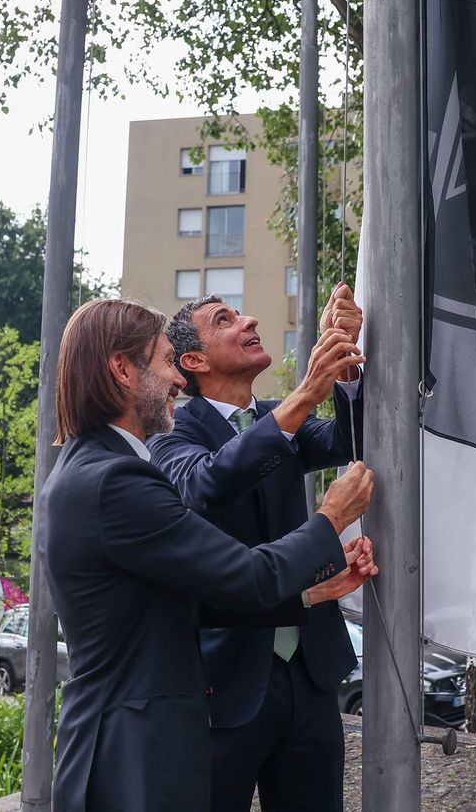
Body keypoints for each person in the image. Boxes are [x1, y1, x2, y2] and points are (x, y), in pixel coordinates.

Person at [40, 298, 376, 812]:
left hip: (266, 686)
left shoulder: (93, 468)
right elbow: (238, 558)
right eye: (165, 362)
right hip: (142, 748)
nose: (176, 380)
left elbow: (174, 601)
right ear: (122, 370)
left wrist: (308, 594)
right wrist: (329, 519)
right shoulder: (119, 478)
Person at [148, 283, 364, 812]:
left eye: (242, 313)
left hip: (310, 671)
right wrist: (304, 394)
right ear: (194, 361)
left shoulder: (278, 417)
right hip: (224, 684)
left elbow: (350, 441)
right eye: (224, 320)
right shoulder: (170, 433)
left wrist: (345, 366)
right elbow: (205, 484)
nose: (248, 322)